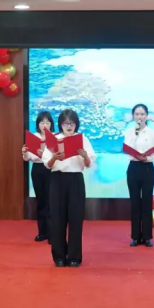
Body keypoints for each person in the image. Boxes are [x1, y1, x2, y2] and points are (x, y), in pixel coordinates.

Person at [42, 109, 96, 267]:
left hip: (75, 180)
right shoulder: (54, 139)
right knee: (57, 218)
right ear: (60, 124)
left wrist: (84, 155)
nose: (69, 126)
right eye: (66, 123)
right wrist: (54, 157)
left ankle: (74, 256)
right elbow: (47, 165)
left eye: (72, 123)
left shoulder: (82, 139)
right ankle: (59, 256)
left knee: (75, 218)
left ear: (76, 124)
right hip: (57, 180)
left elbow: (88, 164)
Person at [124, 104, 154, 247]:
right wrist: (136, 134)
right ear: (133, 116)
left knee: (146, 202)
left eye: (142, 114)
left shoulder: (152, 133)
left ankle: (147, 237)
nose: (140, 117)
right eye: (137, 114)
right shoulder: (129, 132)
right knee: (134, 202)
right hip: (133, 167)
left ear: (147, 116)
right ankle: (135, 236)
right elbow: (127, 148)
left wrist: (148, 158)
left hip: (147, 167)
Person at [22, 111, 55, 243]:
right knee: (41, 200)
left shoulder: (55, 137)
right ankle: (42, 232)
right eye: (42, 122)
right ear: (38, 124)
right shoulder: (34, 137)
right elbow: (27, 158)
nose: (45, 125)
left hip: (51, 169)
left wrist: (45, 155)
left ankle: (52, 233)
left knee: (50, 201)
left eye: (47, 122)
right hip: (37, 169)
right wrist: (24, 153)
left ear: (51, 124)